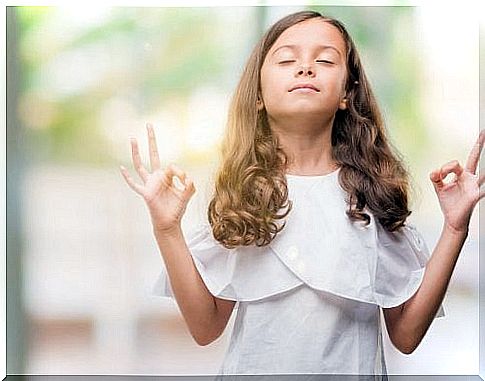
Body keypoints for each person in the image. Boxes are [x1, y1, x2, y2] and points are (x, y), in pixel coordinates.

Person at [120, 10, 484, 378]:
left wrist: (455, 228)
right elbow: (205, 327)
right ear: (258, 95)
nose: (306, 68)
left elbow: (406, 334)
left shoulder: (370, 196)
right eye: (287, 59)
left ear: (346, 92)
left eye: (325, 60)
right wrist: (167, 229)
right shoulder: (246, 198)